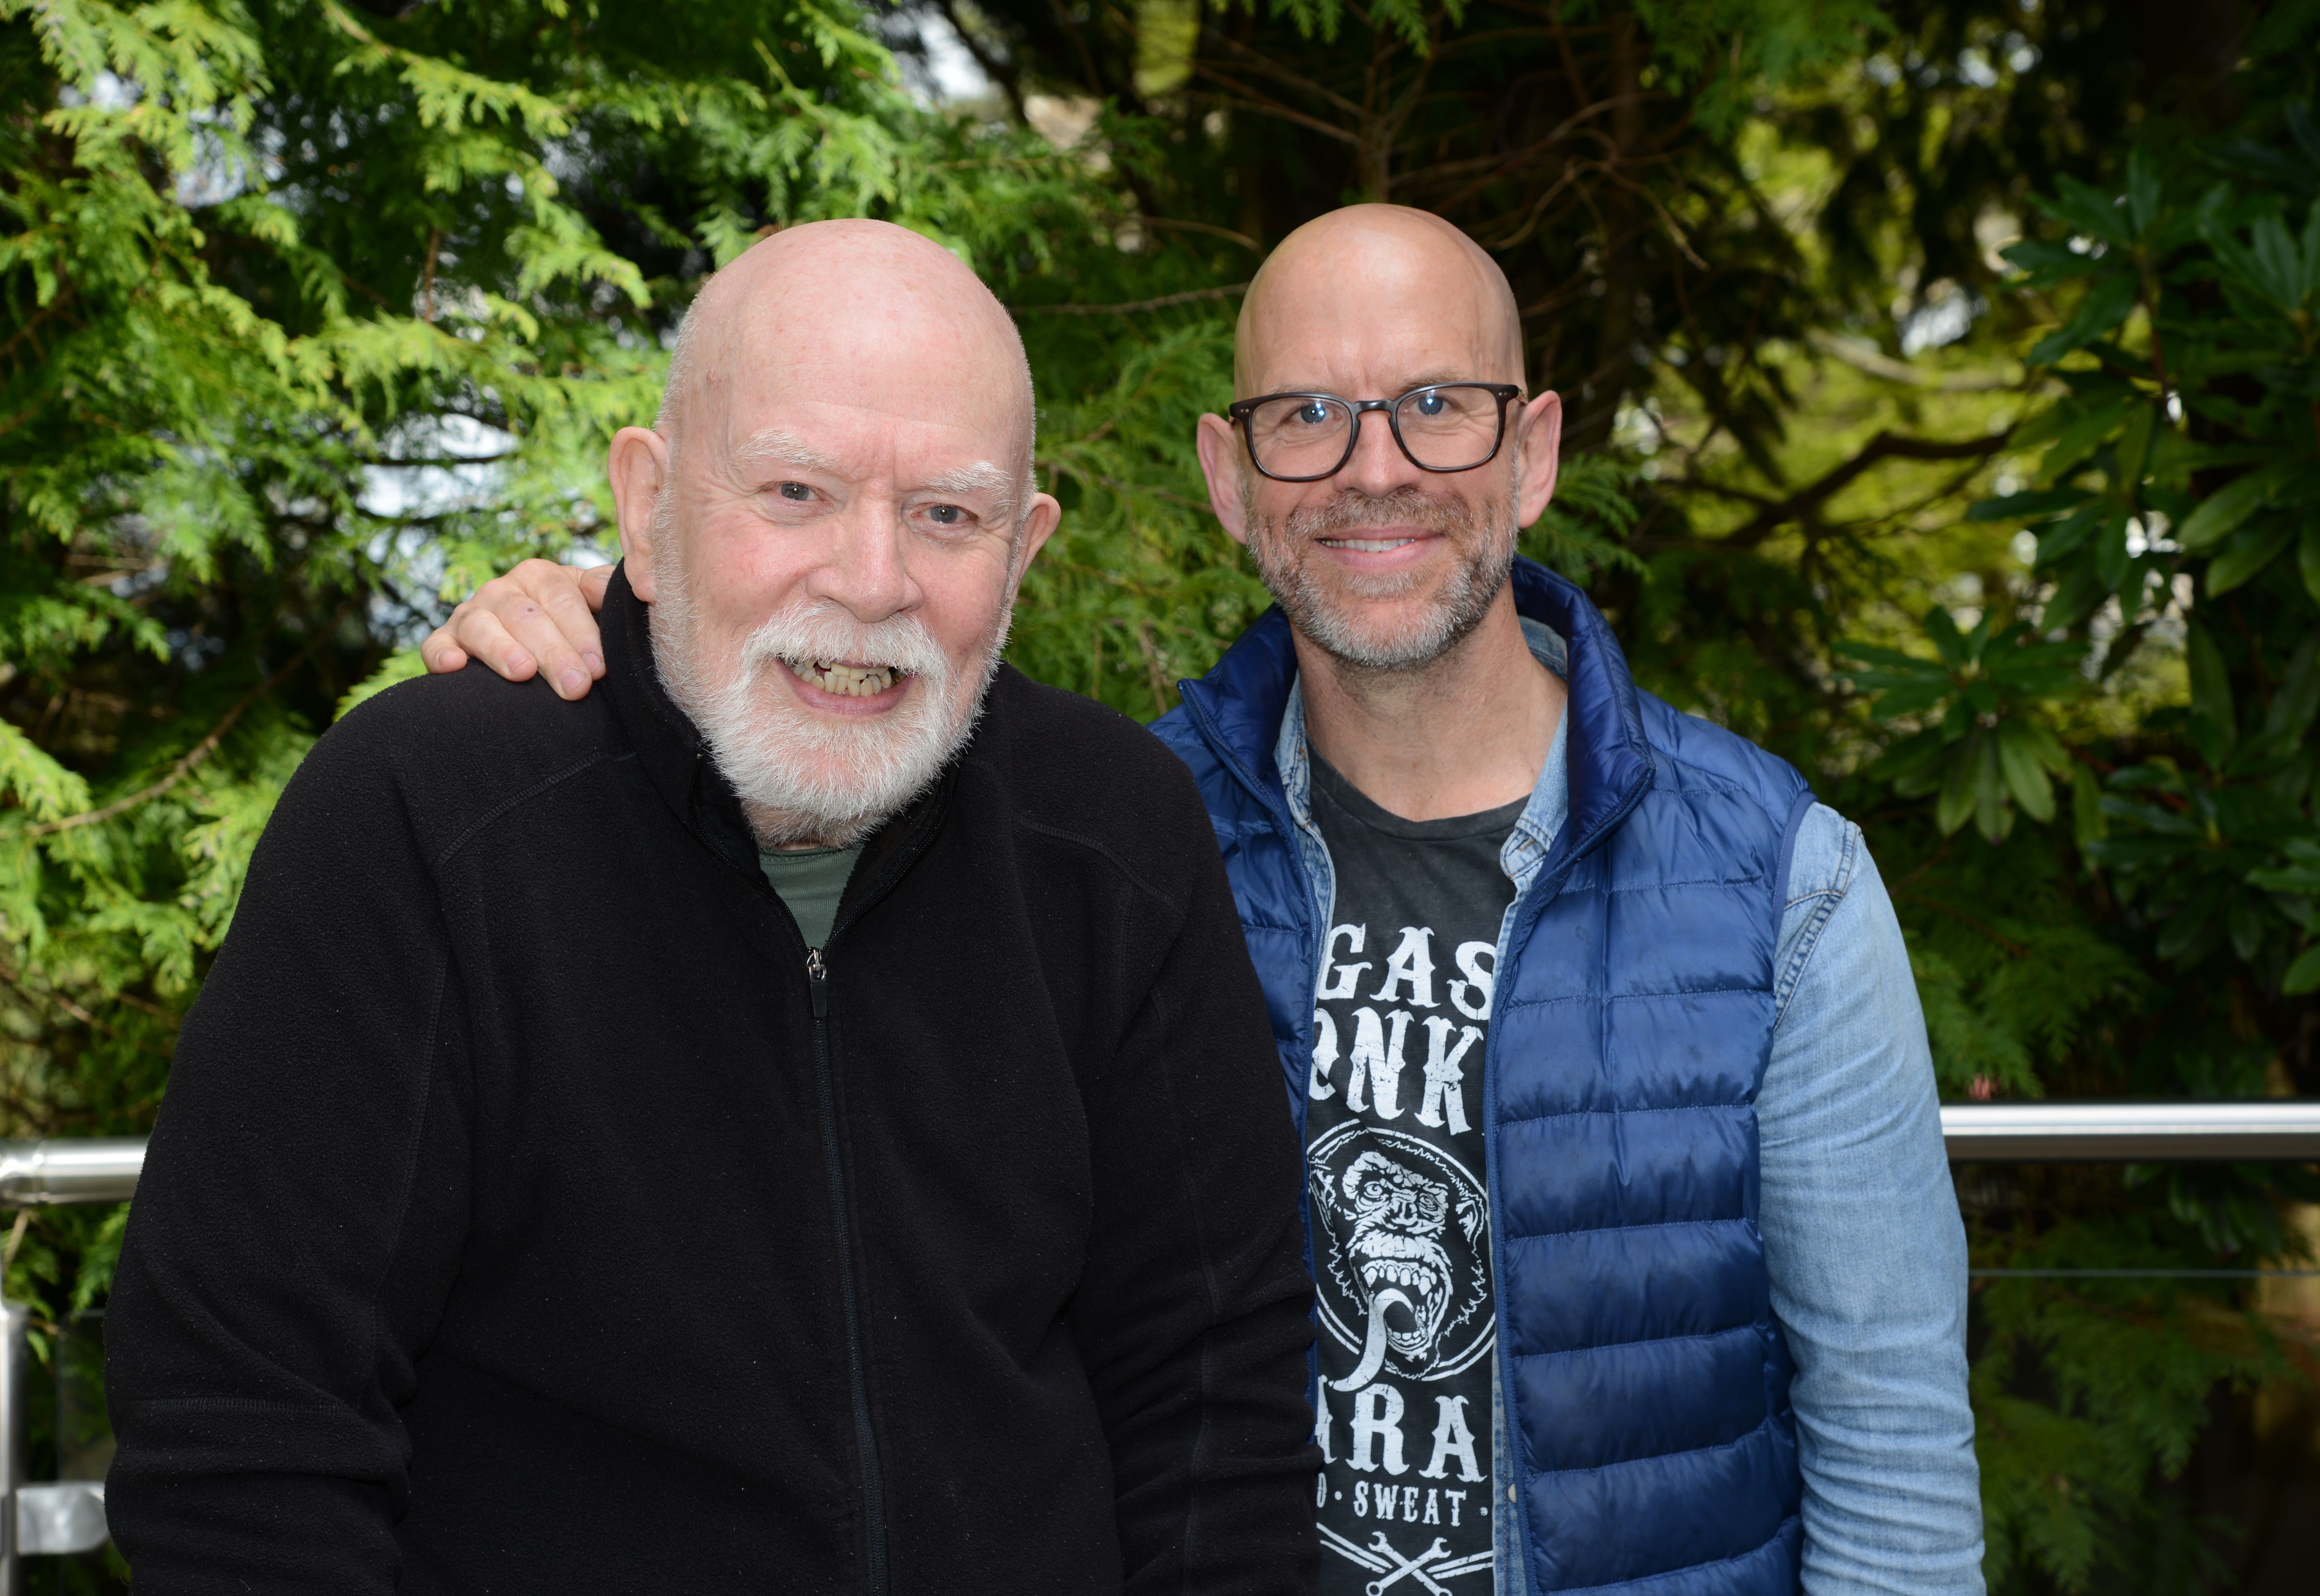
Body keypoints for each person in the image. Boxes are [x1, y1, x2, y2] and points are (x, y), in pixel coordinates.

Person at [425, 205, 1984, 1595]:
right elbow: (795, 726)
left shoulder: (1779, 884)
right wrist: (607, 618)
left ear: (1534, 452)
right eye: (1306, 416)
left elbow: (1895, 1457)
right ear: (1230, 482)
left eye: (1437, 407)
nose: (1374, 468)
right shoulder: (1094, 859)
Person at [104, 220, 1320, 1595]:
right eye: (794, 491)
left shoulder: (1114, 839)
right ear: (647, 502)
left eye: (946, 514)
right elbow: (243, 1434)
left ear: (1023, 550)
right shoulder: (424, 823)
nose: (872, 582)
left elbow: (1216, 1413)